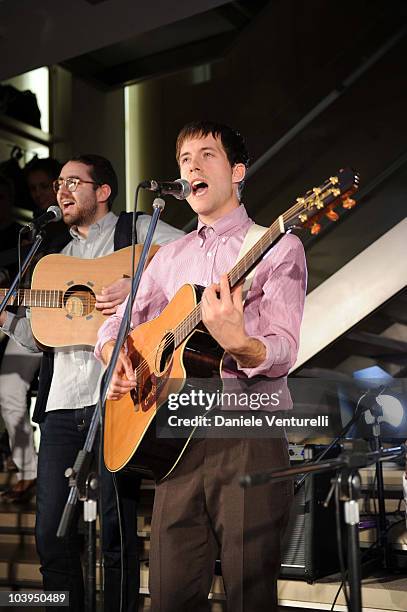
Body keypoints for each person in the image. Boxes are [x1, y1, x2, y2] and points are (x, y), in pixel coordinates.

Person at [96, 121, 307, 611]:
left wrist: (241, 344)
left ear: (237, 172)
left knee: (247, 594)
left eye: (206, 155)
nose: (191, 165)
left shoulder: (275, 246)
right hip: (174, 440)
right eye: (185, 158)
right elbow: (116, 326)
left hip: (246, 435)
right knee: (170, 595)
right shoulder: (168, 256)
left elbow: (281, 349)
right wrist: (117, 359)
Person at [0, 153, 184, 611]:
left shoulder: (135, 230)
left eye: (73, 182)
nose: (61, 191)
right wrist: (7, 315)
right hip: (61, 404)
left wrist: (139, 282)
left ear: (102, 191)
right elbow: (39, 335)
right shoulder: (52, 261)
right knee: (50, 534)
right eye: (58, 183)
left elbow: (189, 257)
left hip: (117, 397)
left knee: (115, 533)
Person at [0, 158, 68, 503]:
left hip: (72, 323)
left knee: (62, 403)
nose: (42, 193)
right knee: (9, 387)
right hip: (30, 317)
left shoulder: (73, 220)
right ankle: (28, 470)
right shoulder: (35, 230)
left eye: (47, 184)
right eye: (35, 188)